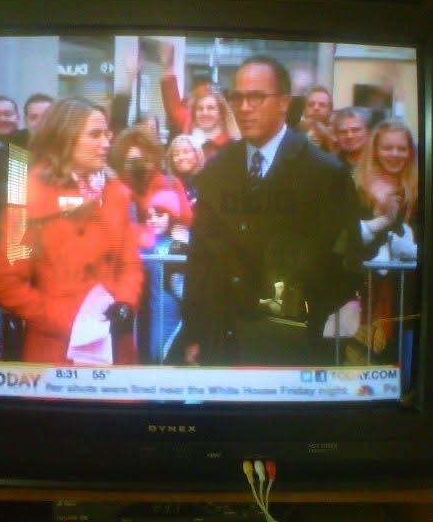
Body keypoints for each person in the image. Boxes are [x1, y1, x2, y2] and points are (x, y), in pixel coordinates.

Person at [167, 56, 362, 367]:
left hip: (295, 344)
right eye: (237, 98)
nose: (244, 107)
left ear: (284, 103)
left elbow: (344, 265)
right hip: (223, 342)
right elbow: (200, 261)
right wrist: (195, 333)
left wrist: (311, 326)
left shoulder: (325, 174)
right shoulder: (216, 171)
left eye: (256, 97)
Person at [0, 97, 143, 365]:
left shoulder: (117, 194)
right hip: (55, 347)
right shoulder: (25, 194)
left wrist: (125, 305)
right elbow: (8, 282)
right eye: (95, 135)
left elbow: (131, 265)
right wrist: (69, 319)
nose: (107, 144)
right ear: (65, 138)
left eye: (107, 134)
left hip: (113, 344)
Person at [352, 120, 418, 359]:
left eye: (402, 148)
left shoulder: (420, 186)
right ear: (375, 150)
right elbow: (346, 237)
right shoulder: (358, 186)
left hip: (411, 293)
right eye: (387, 147)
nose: (395, 154)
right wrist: (381, 221)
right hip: (364, 290)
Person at [109, 129, 193, 230]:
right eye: (133, 162)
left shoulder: (170, 183)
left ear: (154, 159)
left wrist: (169, 219)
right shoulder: (118, 190)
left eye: (145, 160)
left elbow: (188, 220)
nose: (140, 166)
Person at [139, 190, 187, 363]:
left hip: (174, 315)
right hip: (151, 315)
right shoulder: (144, 243)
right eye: (149, 216)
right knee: (152, 357)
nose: (153, 220)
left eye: (159, 215)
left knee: (169, 357)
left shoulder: (181, 243)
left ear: (172, 216)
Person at [166, 134, 204, 205]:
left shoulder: (208, 182)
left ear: (197, 153)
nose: (181, 157)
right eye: (176, 154)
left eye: (186, 152)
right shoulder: (167, 186)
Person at [333, 107, 369, 173]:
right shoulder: (331, 165)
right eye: (343, 132)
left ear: (367, 131)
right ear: (336, 135)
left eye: (355, 130)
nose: (350, 136)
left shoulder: (380, 162)